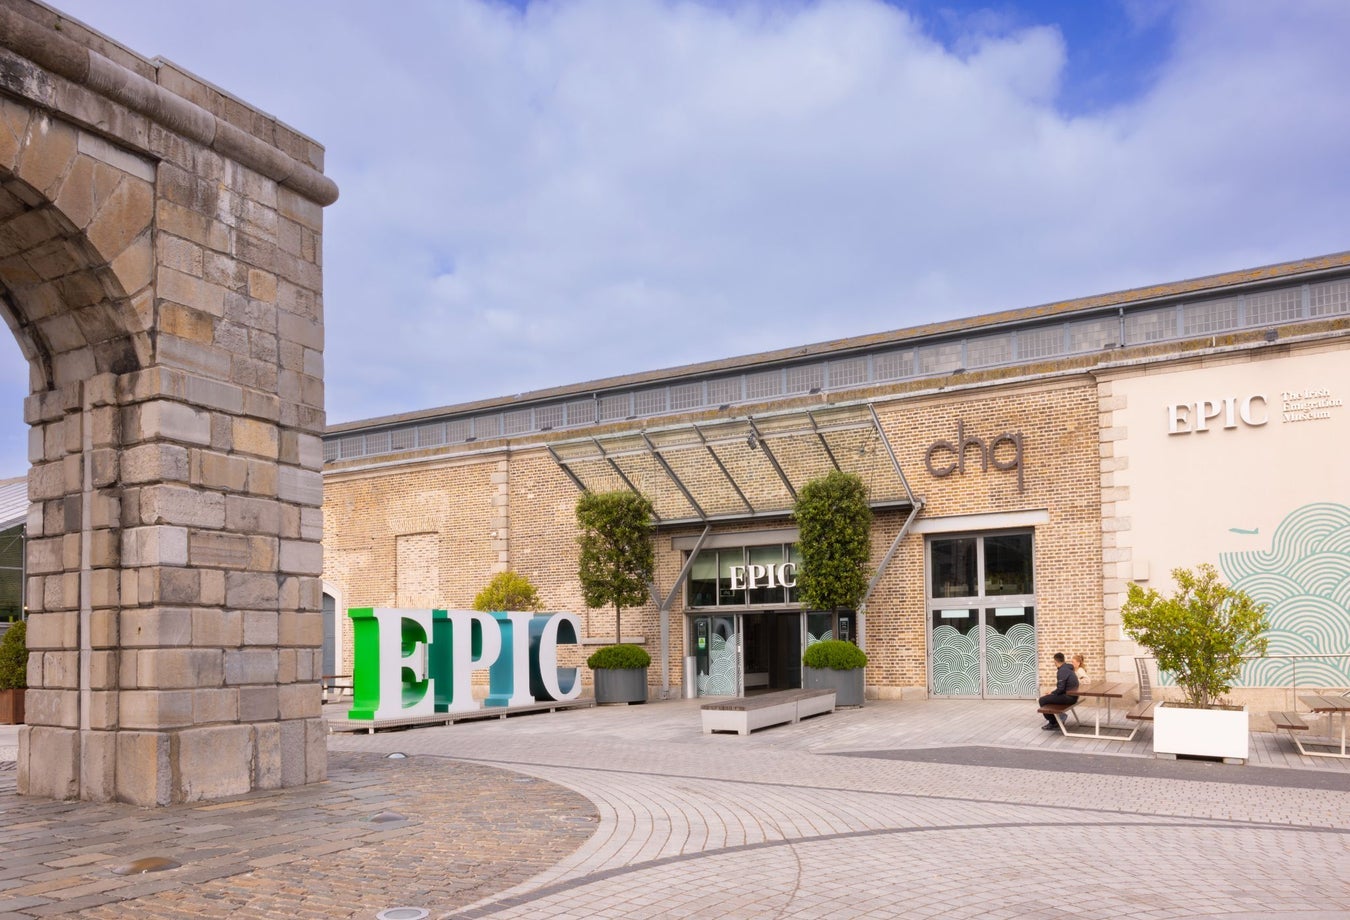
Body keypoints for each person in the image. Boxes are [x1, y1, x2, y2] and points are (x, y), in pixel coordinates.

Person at [1038, 652, 1079, 729]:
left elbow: (1060, 689)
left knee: (1042, 700)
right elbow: (1062, 688)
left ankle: (1053, 723)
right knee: (1049, 698)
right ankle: (1060, 716)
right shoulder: (1068, 668)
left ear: (1055, 661)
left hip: (1069, 698)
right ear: (1063, 659)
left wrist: (1052, 693)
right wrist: (1052, 693)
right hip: (1073, 696)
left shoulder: (1062, 671)